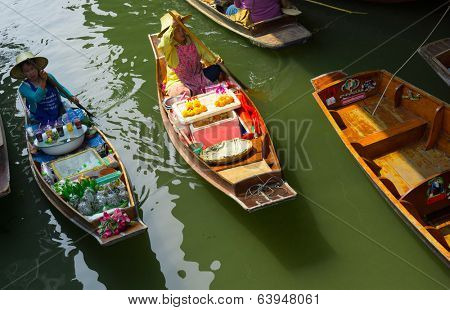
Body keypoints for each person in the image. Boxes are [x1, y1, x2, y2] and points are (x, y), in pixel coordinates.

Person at [157, 11, 223, 97]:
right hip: (180, 82)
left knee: (216, 69)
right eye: (177, 30)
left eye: (182, 28)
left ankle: (196, 91)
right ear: (171, 34)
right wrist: (173, 25)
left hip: (198, 76)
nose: (182, 32)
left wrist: (216, 59)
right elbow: (164, 43)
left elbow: (206, 53)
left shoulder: (192, 40)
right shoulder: (169, 48)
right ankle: (194, 92)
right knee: (182, 93)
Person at [10, 52, 79, 124]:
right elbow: (37, 98)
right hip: (40, 119)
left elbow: (60, 88)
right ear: (23, 73)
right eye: (27, 71)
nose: (31, 72)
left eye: (32, 68)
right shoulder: (23, 88)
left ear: (37, 67)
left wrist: (70, 96)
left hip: (58, 111)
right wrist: (43, 81)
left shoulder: (48, 77)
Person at [226, 0, 292, 24]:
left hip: (256, 21)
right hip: (276, 15)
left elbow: (237, 5)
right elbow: (286, 5)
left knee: (231, 8)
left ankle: (227, 18)